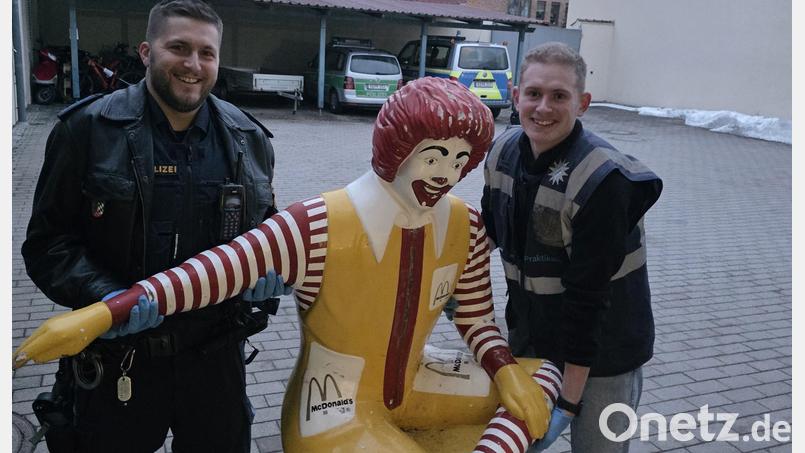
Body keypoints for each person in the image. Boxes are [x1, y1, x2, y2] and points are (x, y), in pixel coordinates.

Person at [17, 77, 561, 453]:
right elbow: (213, 272)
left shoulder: (465, 226)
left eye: (461, 159)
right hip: (335, 404)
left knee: (544, 376)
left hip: (419, 382)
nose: (447, 173)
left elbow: (477, 319)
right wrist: (98, 316)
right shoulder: (320, 223)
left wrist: (505, 369)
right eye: (435, 154)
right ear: (398, 148)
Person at [19, 1, 286, 452]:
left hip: (216, 361)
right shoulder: (87, 130)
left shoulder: (249, 140)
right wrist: (105, 297)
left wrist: (271, 273)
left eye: (207, 53)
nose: (193, 65)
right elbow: (47, 245)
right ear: (146, 51)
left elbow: (267, 231)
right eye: (178, 48)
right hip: (118, 358)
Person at [481, 42, 663, 452]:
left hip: (604, 355)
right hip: (532, 338)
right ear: (516, 96)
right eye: (534, 94)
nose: (543, 107)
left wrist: (568, 399)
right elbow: (490, 228)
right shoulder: (503, 151)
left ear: (582, 103)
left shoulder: (604, 181)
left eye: (559, 96)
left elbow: (588, 298)